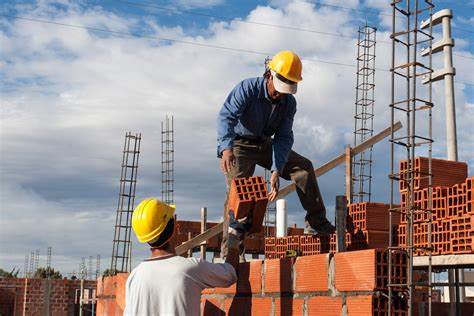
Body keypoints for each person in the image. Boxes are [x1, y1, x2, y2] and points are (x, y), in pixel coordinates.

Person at [217, 50, 335, 257]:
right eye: (279, 88)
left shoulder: (288, 103)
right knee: (238, 194)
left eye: (286, 89)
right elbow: (226, 116)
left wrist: (275, 170)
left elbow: (283, 138)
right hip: (239, 145)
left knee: (303, 169)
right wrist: (226, 148)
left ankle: (318, 224)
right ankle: (231, 251)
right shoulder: (247, 88)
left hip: (265, 143)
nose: (280, 94)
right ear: (269, 75)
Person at [124, 198, 247, 316]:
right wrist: (234, 234)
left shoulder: (134, 277)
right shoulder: (189, 269)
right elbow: (229, 273)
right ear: (174, 228)